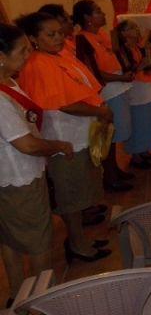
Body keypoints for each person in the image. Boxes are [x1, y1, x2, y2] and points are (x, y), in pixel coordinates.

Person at [16, 13, 112, 264]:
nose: (59, 37)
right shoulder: (38, 63)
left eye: (60, 32)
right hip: (63, 139)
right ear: (33, 38)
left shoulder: (58, 55)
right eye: (51, 34)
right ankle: (76, 243)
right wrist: (101, 112)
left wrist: (99, 109)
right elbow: (65, 104)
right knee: (69, 195)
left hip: (78, 134)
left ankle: (80, 238)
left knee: (80, 191)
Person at [0, 23, 73, 307]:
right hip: (19, 178)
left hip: (12, 175)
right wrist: (59, 145)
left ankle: (18, 294)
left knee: (9, 236)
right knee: (38, 240)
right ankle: (41, 301)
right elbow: (27, 144)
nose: (27, 55)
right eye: (22, 50)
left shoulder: (8, 80)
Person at [73, 0, 134, 192]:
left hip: (118, 86)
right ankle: (109, 176)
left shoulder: (101, 35)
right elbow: (92, 71)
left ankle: (114, 169)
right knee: (109, 134)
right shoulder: (82, 40)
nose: (103, 14)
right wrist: (120, 77)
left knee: (116, 132)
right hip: (108, 89)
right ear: (87, 17)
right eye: (98, 11)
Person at [114, 20, 151, 169]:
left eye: (136, 26)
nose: (137, 29)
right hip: (135, 89)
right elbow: (127, 71)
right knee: (137, 121)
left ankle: (145, 151)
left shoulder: (138, 46)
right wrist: (141, 65)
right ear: (124, 33)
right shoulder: (123, 50)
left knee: (147, 120)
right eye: (133, 28)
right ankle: (136, 156)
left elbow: (146, 64)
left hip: (146, 86)